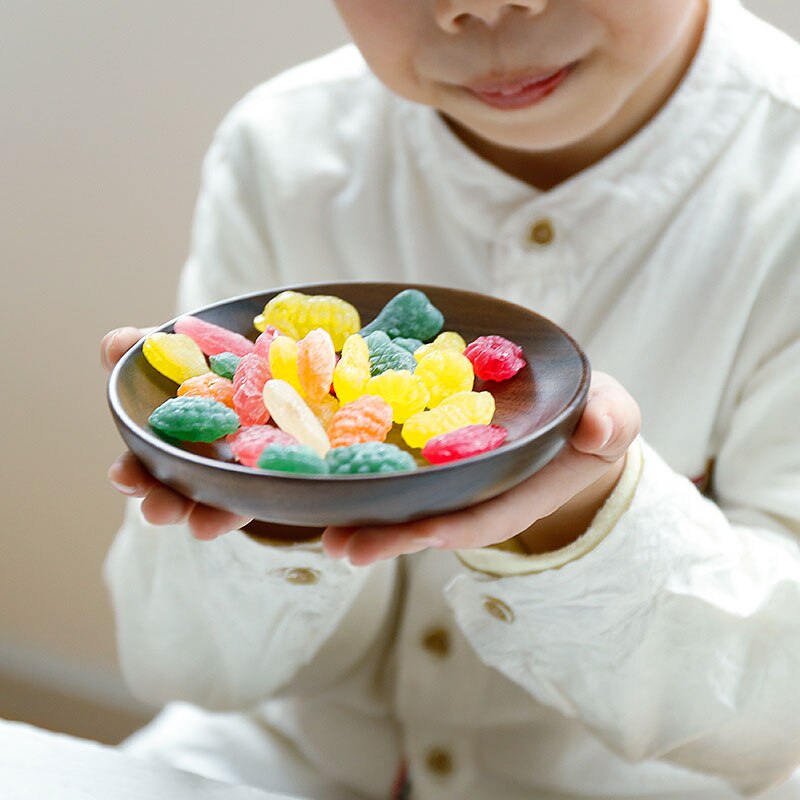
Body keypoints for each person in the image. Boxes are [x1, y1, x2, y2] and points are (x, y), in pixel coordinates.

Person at [99, 0, 800, 797]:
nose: (484, 5)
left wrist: (583, 523)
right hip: (288, 758)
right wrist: (265, 495)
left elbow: (777, 723)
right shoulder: (283, 151)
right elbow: (180, 665)